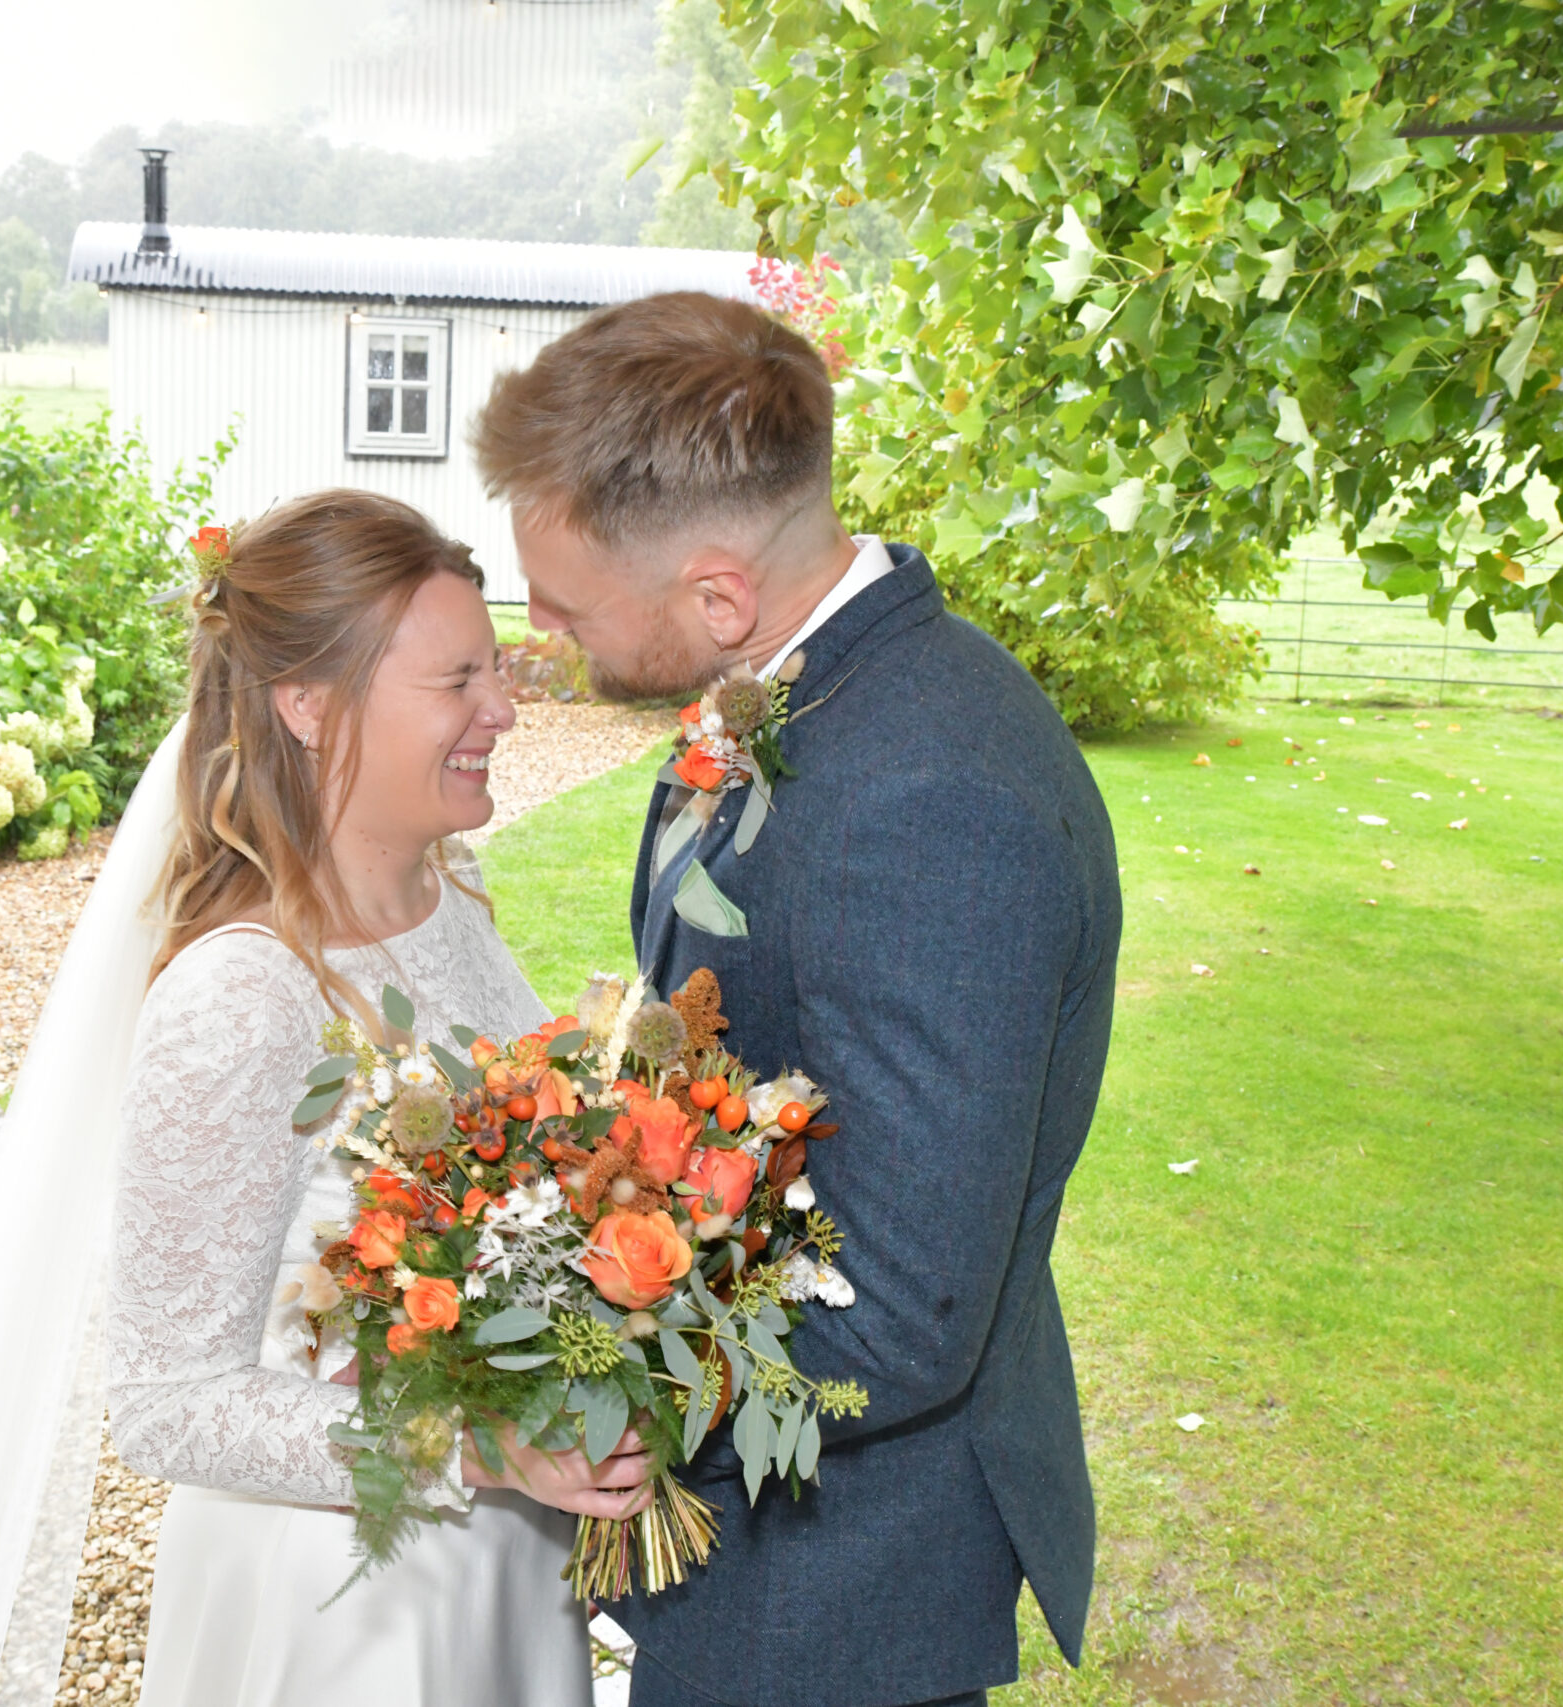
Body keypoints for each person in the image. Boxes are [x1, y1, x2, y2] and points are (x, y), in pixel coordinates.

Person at [472, 292, 1124, 1707]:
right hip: (767, 1555)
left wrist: (575, 1380)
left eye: (568, 604)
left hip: (831, 1600)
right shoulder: (784, 687)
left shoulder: (933, 797)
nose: (540, 630)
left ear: (716, 591)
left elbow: (897, 1309)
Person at [105, 490, 651, 1705]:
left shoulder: (450, 901)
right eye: (458, 679)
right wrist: (467, 1444)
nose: (503, 711)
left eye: (498, 672)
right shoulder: (244, 996)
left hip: (505, 1576)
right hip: (340, 1606)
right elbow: (162, 1405)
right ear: (308, 703)